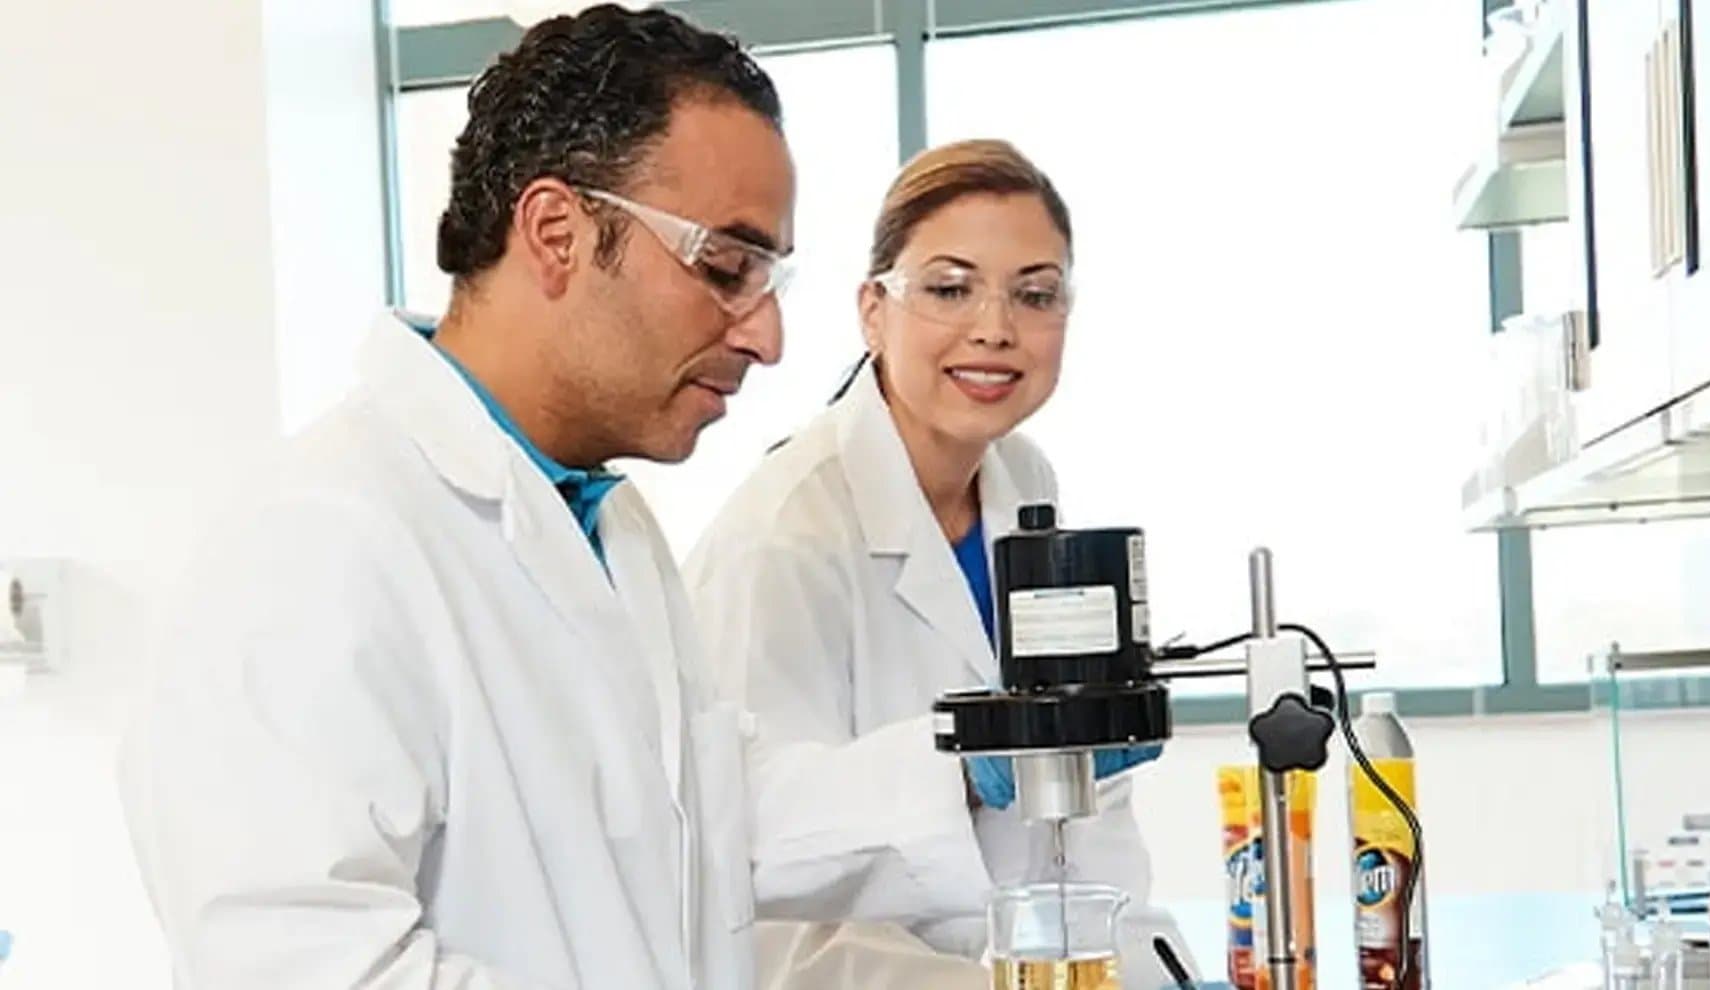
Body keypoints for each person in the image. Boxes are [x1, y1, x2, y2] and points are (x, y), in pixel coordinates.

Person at [118, 8, 794, 988]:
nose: (765, 335)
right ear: (556, 231)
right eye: (726, 267)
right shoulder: (319, 542)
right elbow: (298, 965)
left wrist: (993, 762)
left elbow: (708, 816)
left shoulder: (601, 520)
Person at [685, 140, 1194, 988]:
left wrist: (1154, 970)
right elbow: (753, 889)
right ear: (872, 312)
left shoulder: (1023, 480)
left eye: (1035, 294)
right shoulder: (783, 536)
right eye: (950, 288)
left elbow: (1082, 834)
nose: (995, 326)